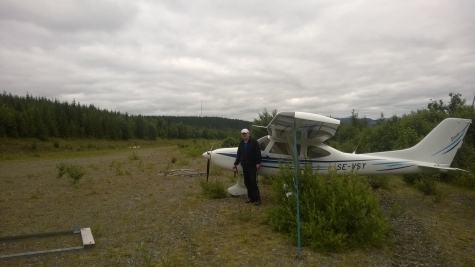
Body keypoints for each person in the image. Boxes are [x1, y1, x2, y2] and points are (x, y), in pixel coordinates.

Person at [233, 128, 262, 205]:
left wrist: (258, 163)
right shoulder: (241, 143)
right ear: (241, 135)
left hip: (252, 165)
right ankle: (251, 198)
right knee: (247, 182)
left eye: (245, 133)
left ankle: (257, 199)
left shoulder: (254, 142)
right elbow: (239, 154)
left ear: (248, 134)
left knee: (254, 182)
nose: (244, 135)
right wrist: (236, 163)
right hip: (244, 165)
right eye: (243, 134)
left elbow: (258, 153)